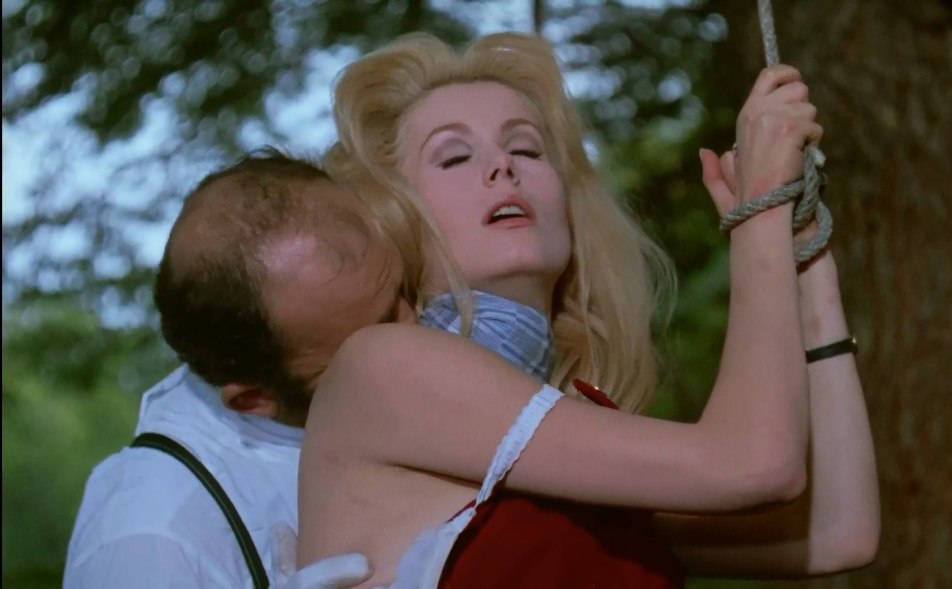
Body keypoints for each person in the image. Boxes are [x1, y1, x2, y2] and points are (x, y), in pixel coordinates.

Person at [292, 32, 879, 587]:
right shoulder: (381, 367)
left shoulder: (564, 430)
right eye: (454, 157)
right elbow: (755, 465)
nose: (503, 166)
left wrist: (806, 256)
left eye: (526, 147)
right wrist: (759, 209)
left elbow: (838, 530)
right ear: (395, 219)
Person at [64, 150, 404, 588]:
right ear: (254, 398)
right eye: (376, 337)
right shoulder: (151, 538)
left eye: (407, 289)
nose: (422, 325)